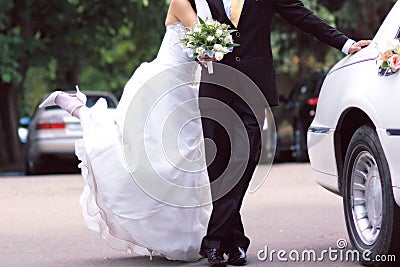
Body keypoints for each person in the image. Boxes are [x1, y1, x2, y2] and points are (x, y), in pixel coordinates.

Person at [197, 0, 371, 266]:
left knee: (244, 160)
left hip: (253, 86)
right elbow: (183, 29)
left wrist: (346, 44)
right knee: (218, 166)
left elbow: (302, 16)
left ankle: (213, 240)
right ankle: (233, 243)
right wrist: (197, 51)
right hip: (214, 86)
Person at [39, 0, 212, 262]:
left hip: (186, 89)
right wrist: (218, 46)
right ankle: (80, 110)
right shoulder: (181, 2)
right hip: (161, 86)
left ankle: (188, 239)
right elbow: (202, 35)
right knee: (153, 161)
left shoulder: (210, 8)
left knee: (185, 162)